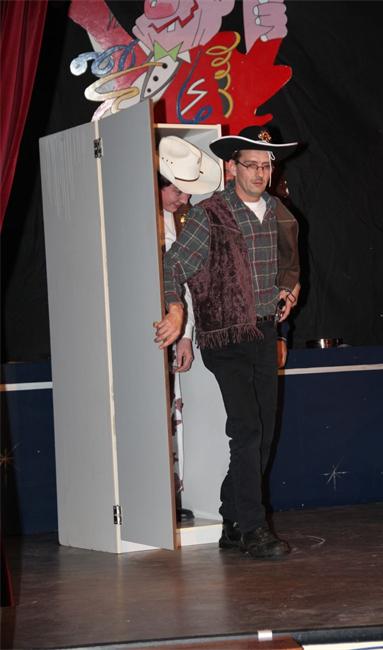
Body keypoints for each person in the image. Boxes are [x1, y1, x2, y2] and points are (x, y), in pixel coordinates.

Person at [154, 126, 301, 558]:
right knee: (247, 428)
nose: (259, 173)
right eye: (251, 165)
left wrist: (289, 289)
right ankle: (254, 529)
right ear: (231, 167)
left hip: (264, 332)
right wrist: (176, 310)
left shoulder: (279, 212)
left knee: (264, 433)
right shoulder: (209, 214)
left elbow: (291, 265)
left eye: (266, 166)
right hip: (226, 335)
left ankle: (231, 518)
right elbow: (173, 265)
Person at [157, 135, 222, 520]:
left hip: (171, 326)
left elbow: (184, 285)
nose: (183, 199)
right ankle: (155, 497)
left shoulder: (178, 224)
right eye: (176, 190)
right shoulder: (134, 220)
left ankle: (170, 496)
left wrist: (185, 334)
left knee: (169, 411)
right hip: (143, 325)